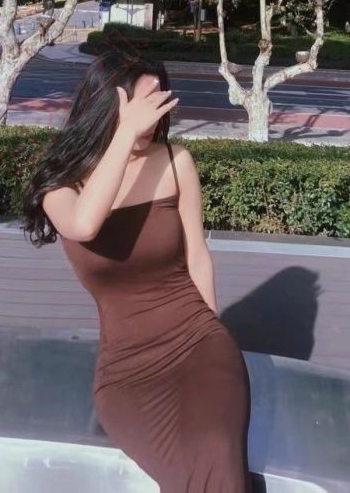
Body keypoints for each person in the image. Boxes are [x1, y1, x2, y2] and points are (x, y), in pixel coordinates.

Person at [20, 49, 253, 492]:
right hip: (126, 371)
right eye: (142, 104)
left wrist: (212, 334)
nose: (153, 116)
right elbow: (84, 225)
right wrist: (124, 136)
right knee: (187, 474)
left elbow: (197, 255)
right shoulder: (61, 185)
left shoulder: (175, 161)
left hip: (198, 343)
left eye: (159, 101)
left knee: (214, 453)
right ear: (108, 105)